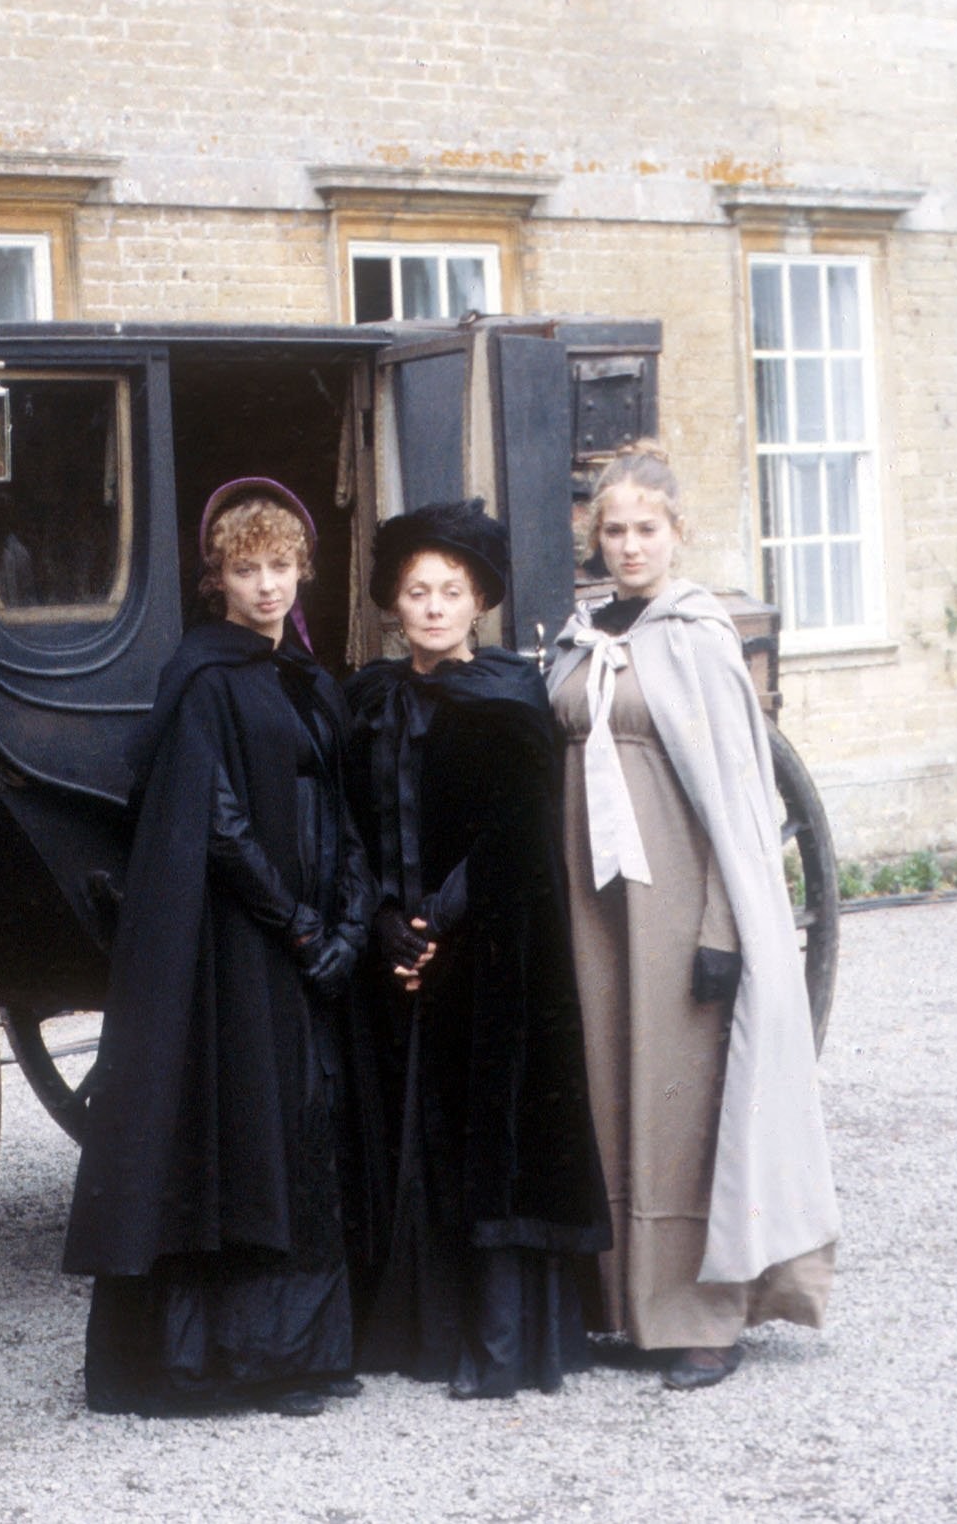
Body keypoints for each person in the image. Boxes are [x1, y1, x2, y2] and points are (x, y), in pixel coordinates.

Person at [61, 479, 374, 1418]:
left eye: (281, 567)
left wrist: (348, 918)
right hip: (240, 943)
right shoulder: (202, 677)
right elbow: (219, 823)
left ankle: (303, 1352)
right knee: (249, 1133)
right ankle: (235, 1362)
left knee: (306, 1130)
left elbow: (342, 803)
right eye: (248, 570)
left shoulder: (307, 678)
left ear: (302, 570)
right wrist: (297, 923)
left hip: (311, 931)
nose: (268, 586)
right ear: (218, 581)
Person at [546, 443, 839, 1391]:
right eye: (615, 531)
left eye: (647, 530)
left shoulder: (698, 636)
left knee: (684, 1111)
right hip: (595, 910)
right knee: (609, 1098)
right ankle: (624, 1307)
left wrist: (721, 928)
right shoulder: (583, 635)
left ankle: (707, 1318)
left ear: (678, 533)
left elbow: (742, 804)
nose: (630, 546)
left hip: (680, 910)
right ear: (596, 539)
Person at [340, 501, 612, 1399]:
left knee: (485, 1136)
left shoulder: (506, 695)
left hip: (488, 946)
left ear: (479, 601)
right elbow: (356, 828)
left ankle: (494, 1344)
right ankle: (421, 1332)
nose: (432, 607)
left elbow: (514, 832)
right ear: (394, 603)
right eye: (416, 591)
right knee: (410, 1132)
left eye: (450, 591)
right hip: (398, 950)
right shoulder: (371, 700)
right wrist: (387, 920)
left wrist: (437, 925)